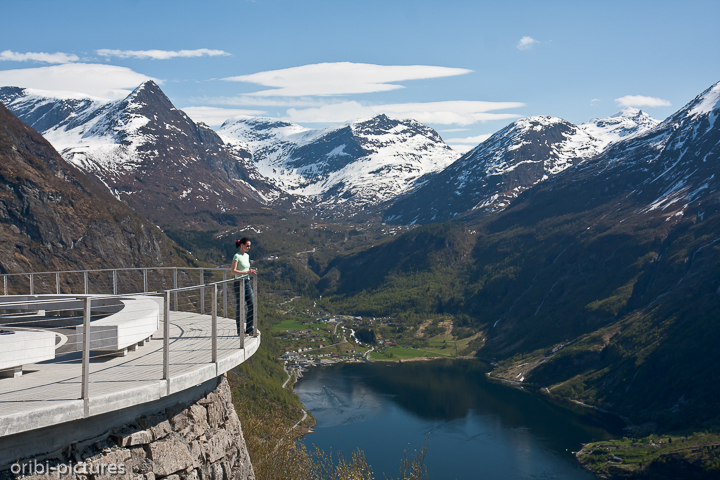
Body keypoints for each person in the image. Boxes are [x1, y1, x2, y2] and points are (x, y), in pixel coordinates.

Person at [231, 238, 257, 336]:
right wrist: (247, 272)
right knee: (241, 307)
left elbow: (245, 268)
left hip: (247, 282)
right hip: (239, 282)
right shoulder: (236, 256)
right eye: (247, 245)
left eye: (249, 246)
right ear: (242, 245)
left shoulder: (247, 256)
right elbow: (233, 271)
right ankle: (240, 331)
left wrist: (251, 270)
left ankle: (249, 329)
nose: (249, 247)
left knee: (252, 304)